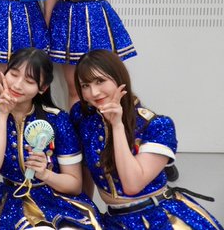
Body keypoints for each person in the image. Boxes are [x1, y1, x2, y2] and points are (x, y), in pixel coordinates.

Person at [71, 50, 222, 229]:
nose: (94, 92)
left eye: (100, 81)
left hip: (159, 218)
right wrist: (88, 213)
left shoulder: (157, 125)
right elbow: (84, 170)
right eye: (85, 85)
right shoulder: (84, 118)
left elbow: (132, 185)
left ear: (119, 78)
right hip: (114, 221)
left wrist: (117, 125)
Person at [0, 48, 102, 229]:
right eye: (14, 74)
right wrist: (2, 114)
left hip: (56, 199)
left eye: (29, 81)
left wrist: (45, 174)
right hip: (14, 200)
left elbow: (74, 185)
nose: (17, 85)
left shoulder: (57, 119)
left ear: (43, 88)